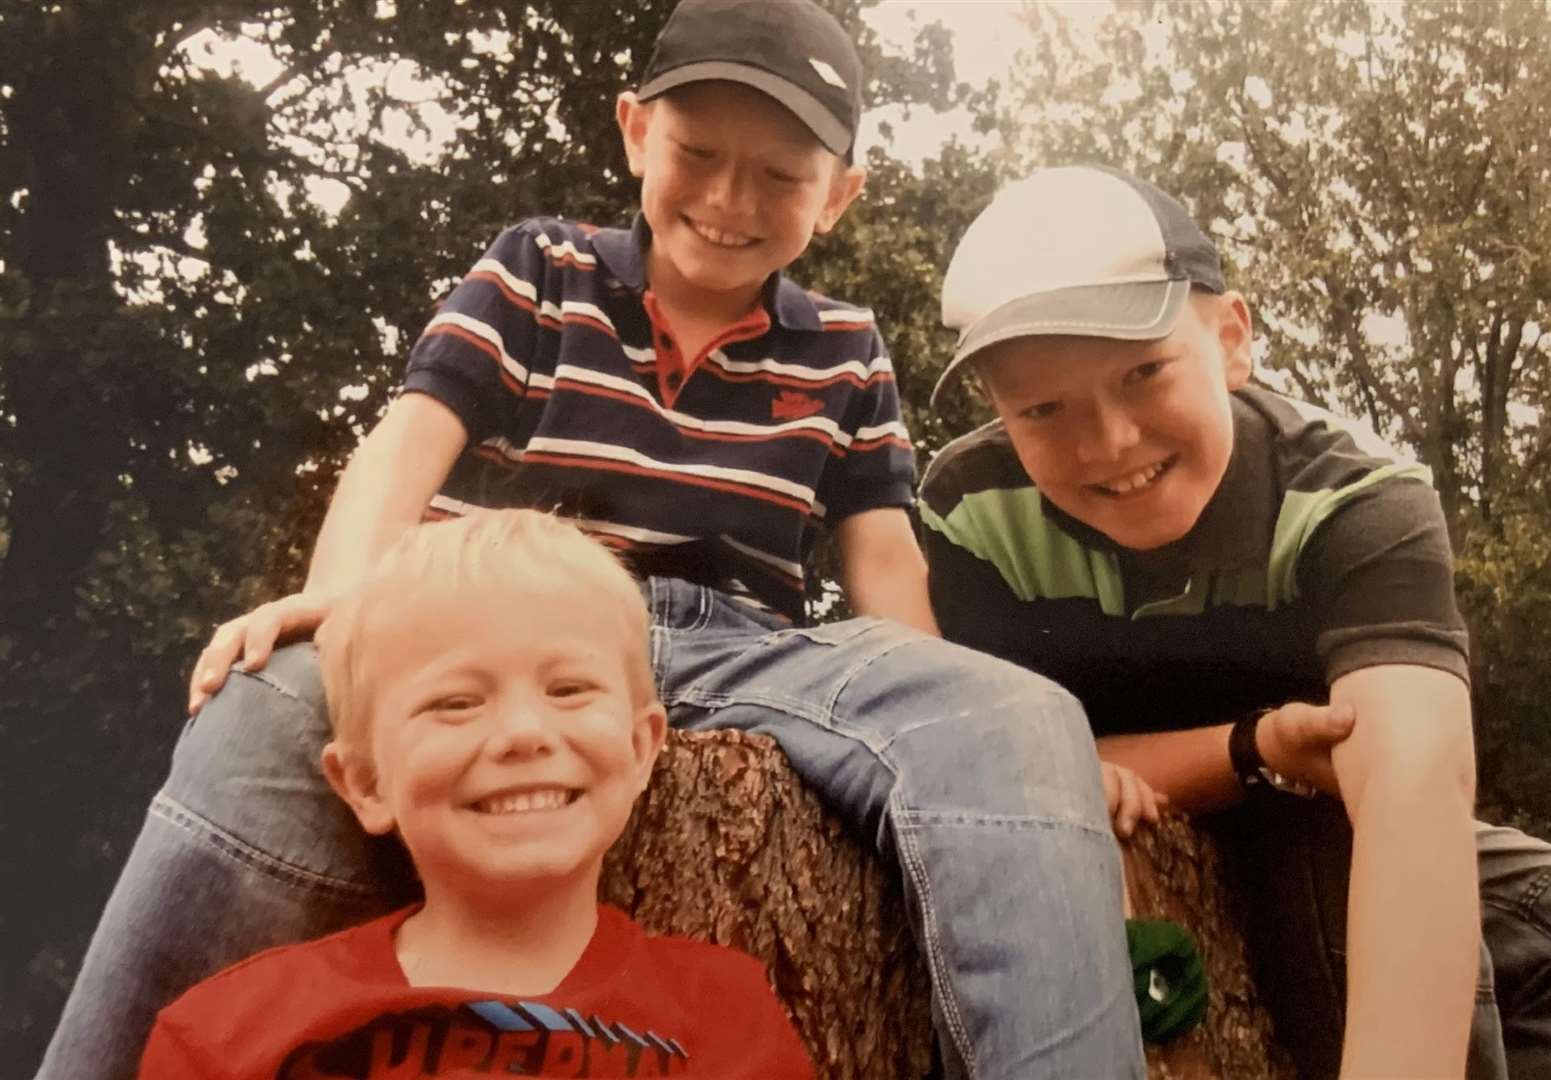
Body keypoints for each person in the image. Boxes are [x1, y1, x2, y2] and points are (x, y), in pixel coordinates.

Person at [38, 5, 1144, 1078]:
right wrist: (346, 597)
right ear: (633, 131)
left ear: (842, 196)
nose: (728, 198)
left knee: (1020, 715)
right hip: (516, 608)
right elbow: (410, 437)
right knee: (274, 697)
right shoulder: (540, 269)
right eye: (698, 152)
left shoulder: (850, 349)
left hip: (737, 643)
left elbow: (884, 567)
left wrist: (955, 701)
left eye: (779, 176)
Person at [920, 164, 1551, 1079]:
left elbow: (1412, 786)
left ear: (1230, 338)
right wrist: (1251, 750)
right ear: (995, 407)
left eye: (1143, 372)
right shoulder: (967, 511)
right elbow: (1006, 776)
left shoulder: (1358, 496)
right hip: (1221, 808)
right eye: (1042, 409)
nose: (1109, 443)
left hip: (1330, 802)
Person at [136, 510, 815, 1078]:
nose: (523, 733)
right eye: (456, 702)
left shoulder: (721, 1020)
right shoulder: (230, 1034)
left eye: (569, 690)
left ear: (641, 749)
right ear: (367, 783)